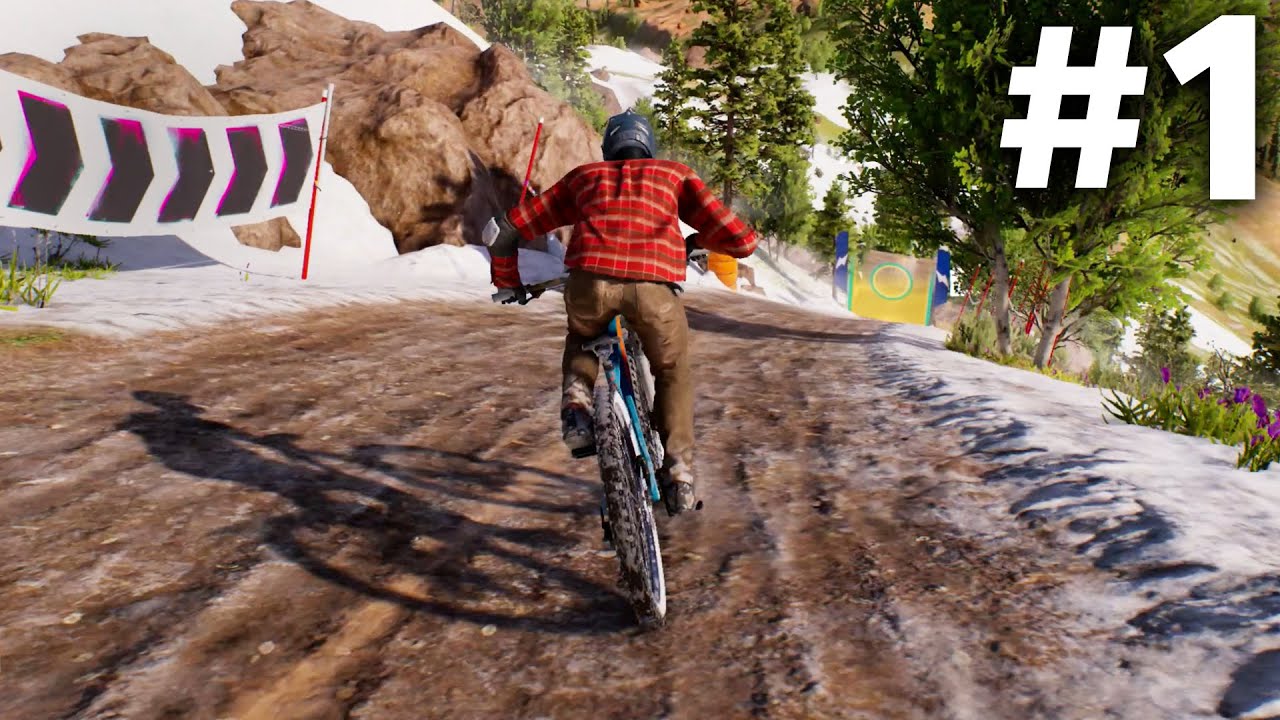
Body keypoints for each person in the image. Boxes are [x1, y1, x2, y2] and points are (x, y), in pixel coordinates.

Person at [484, 109, 757, 515]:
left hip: (588, 285)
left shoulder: (585, 178)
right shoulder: (674, 175)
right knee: (672, 368)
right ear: (649, 145)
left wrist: (509, 281)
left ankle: (577, 403)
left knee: (582, 337)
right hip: (654, 293)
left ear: (608, 146)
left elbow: (504, 230)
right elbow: (742, 240)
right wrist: (697, 241)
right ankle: (679, 473)